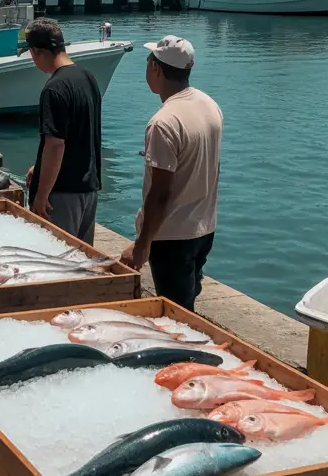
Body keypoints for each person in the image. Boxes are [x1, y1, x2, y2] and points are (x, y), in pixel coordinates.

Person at [121, 35, 223, 311]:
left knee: (175, 314)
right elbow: (214, 169)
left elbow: (160, 193)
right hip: (204, 229)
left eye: (147, 61)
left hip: (172, 238)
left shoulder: (163, 123)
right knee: (187, 304)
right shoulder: (209, 105)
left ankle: (188, 354)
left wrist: (143, 244)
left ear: (156, 68)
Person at [25, 17, 102, 244]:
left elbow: (56, 144)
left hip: (62, 195)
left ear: (36, 52)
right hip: (88, 190)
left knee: (58, 261)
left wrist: (41, 195)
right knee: (81, 261)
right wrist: (38, 167)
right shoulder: (88, 78)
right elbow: (82, 133)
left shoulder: (54, 89)